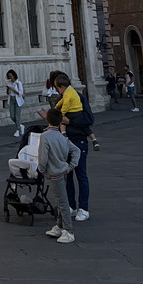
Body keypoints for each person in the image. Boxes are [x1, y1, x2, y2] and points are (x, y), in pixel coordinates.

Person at [51, 72, 92, 221]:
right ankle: (71, 206)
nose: (57, 91)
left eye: (58, 87)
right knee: (66, 175)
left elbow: (89, 119)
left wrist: (70, 122)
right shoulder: (62, 99)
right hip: (65, 143)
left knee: (81, 174)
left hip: (79, 141)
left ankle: (84, 208)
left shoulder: (79, 98)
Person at [39, 107, 79, 244]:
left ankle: (68, 230)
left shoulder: (45, 136)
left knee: (62, 202)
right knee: (60, 199)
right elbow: (76, 150)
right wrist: (71, 166)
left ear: (48, 120)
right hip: (63, 170)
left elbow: (43, 158)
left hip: (54, 172)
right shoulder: (62, 137)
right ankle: (60, 226)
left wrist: (42, 170)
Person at [5, 69, 25, 137]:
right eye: (9, 77)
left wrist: (13, 89)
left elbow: (20, 93)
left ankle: (17, 130)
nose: (10, 78)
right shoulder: (9, 83)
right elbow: (8, 93)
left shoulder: (18, 83)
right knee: (12, 115)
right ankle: (20, 125)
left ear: (14, 76)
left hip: (18, 99)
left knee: (17, 115)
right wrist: (8, 89)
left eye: (11, 76)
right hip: (11, 99)